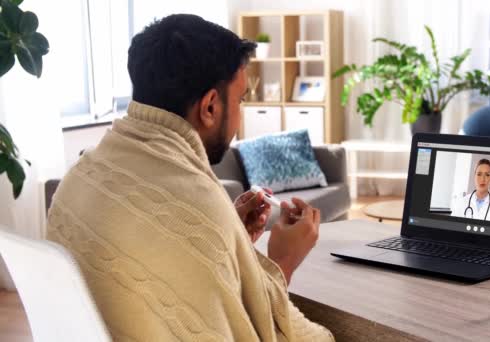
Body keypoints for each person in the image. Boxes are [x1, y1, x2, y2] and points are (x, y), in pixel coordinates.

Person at [46, 14, 334, 341]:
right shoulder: (202, 206)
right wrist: (283, 262)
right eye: (239, 99)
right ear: (210, 107)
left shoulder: (80, 176)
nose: (239, 113)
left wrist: (231, 238)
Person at [451, 159, 490, 223]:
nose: (482, 179)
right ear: (474, 176)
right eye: (479, 174)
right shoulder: (462, 203)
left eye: (487, 175)